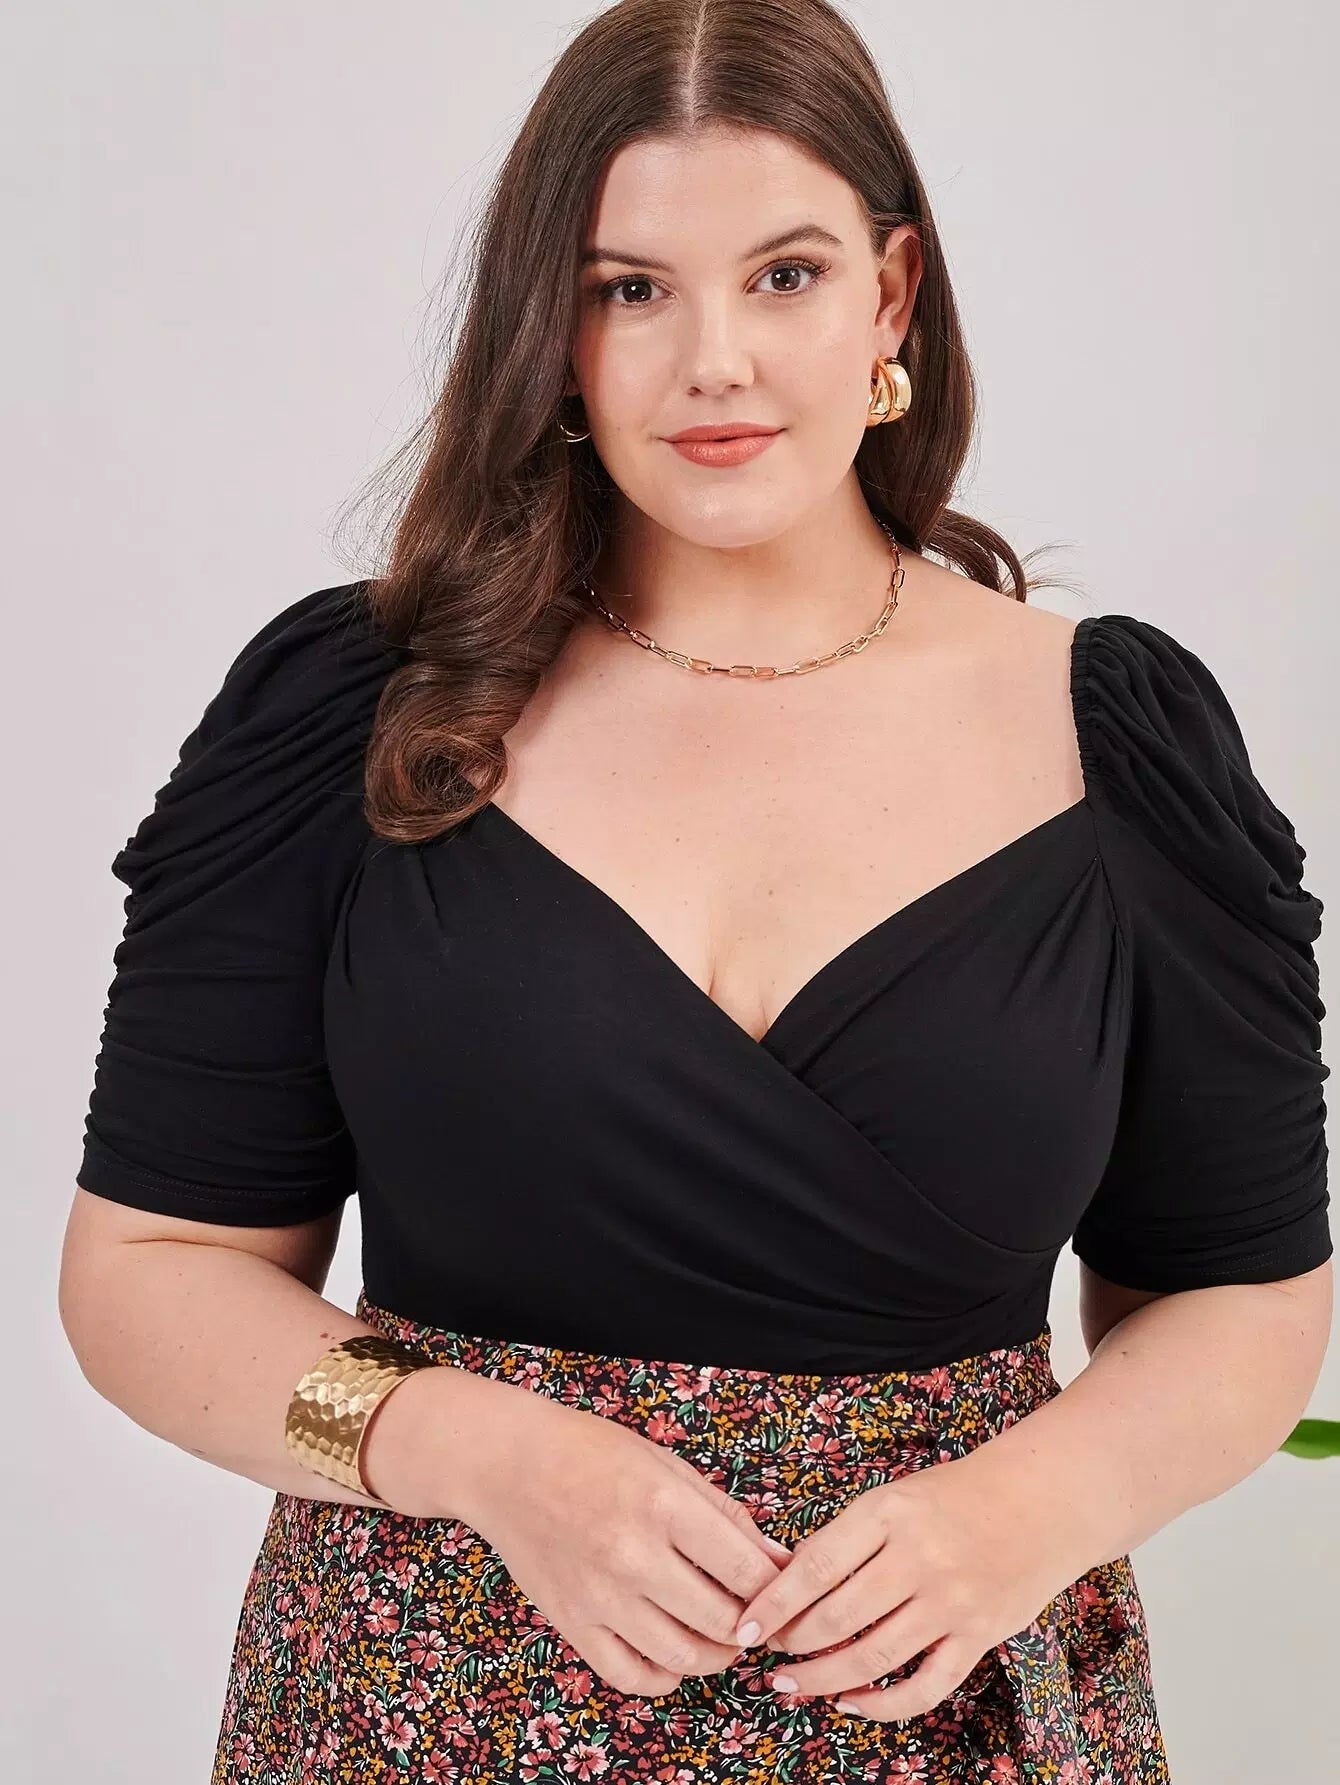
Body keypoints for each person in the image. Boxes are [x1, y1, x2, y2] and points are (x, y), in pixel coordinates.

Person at [58, 2, 1331, 1781]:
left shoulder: (1114, 738)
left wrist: (1025, 1512)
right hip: (418, 1713)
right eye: (630, 289)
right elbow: (150, 1267)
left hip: (945, 1729)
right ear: (551, 328)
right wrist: (480, 1454)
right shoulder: (355, 714)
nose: (712, 360)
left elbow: (1246, 1294)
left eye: (784, 276)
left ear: (892, 295)